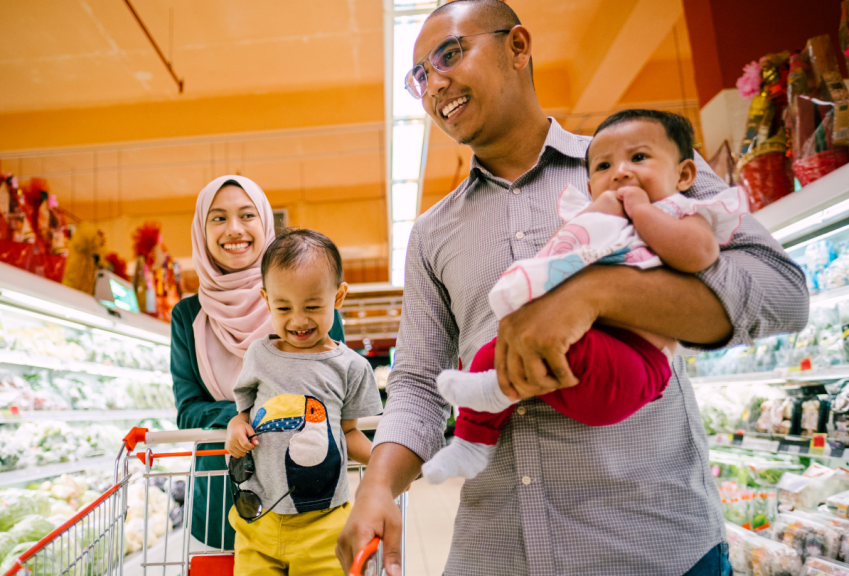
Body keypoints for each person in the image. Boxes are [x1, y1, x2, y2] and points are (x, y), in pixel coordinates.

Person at [335, 1, 808, 575]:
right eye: (419, 77)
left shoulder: (638, 160)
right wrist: (377, 486)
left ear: (518, 46)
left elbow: (781, 291)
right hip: (497, 553)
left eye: (450, 54)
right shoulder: (433, 233)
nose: (435, 84)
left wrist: (594, 294)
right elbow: (416, 383)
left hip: (654, 548)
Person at [423, 109, 749, 484]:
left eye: (639, 158)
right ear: (591, 185)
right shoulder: (596, 221)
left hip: (635, 364)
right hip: (581, 361)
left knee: (556, 346)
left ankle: (497, 389)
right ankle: (471, 445)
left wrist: (641, 211)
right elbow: (559, 258)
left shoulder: (682, 212)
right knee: (495, 349)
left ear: (684, 174)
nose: (621, 172)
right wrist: (596, 215)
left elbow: (698, 255)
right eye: (604, 166)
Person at [170, 176, 346, 551]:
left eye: (246, 215)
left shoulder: (314, 297)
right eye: (218, 218)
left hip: (308, 492)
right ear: (201, 230)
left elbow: (336, 393)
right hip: (223, 499)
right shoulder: (188, 317)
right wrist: (235, 417)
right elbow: (188, 411)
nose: (234, 229)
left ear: (264, 223)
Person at [224, 229, 382, 575]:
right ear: (266, 300)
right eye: (283, 307)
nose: (298, 320)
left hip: (324, 527)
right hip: (257, 523)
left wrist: (386, 462)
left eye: (313, 306)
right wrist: (236, 426)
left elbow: (348, 434)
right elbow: (242, 414)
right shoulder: (259, 355)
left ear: (338, 296)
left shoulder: (351, 367)